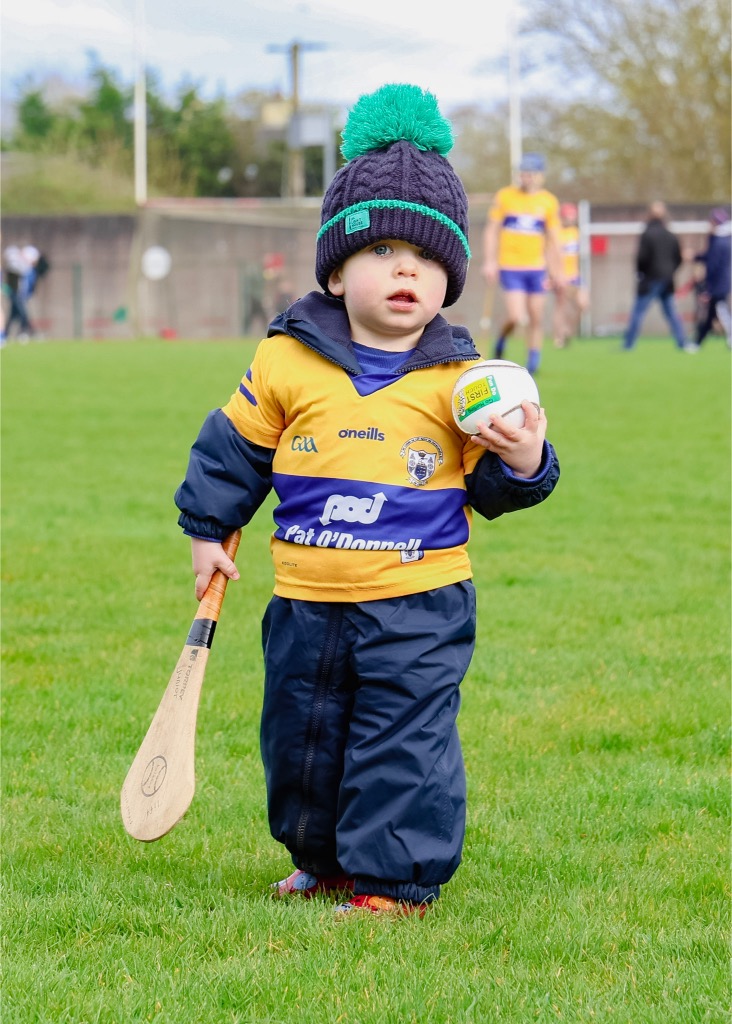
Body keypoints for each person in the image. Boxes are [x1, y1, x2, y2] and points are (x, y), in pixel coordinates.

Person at [174, 84, 560, 919]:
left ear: (449, 277)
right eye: (381, 249)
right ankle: (321, 861)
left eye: (424, 256)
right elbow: (235, 447)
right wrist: (208, 528)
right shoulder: (286, 359)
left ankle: (393, 880)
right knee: (302, 737)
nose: (405, 269)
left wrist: (523, 455)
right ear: (337, 267)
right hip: (306, 599)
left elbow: (498, 487)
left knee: (402, 742)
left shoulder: (466, 383)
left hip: (418, 602)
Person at [481, 152, 565, 376]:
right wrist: (489, 262)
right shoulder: (506, 196)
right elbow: (491, 231)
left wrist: (558, 271)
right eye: (523, 173)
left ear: (540, 176)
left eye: (531, 173)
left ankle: (533, 361)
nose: (526, 177)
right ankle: (501, 340)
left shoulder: (548, 201)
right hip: (510, 267)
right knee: (516, 317)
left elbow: (555, 240)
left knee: (536, 316)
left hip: (536, 268)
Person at [622, 201, 689, 351]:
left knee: (638, 313)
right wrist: (671, 271)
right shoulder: (671, 235)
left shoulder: (647, 234)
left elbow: (641, 258)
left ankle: (628, 344)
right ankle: (682, 342)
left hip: (650, 279)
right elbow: (679, 258)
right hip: (667, 280)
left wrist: (640, 273)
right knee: (672, 313)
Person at [688, 207, 731, 349]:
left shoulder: (719, 242)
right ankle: (697, 343)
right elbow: (709, 257)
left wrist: (707, 287)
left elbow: (713, 265)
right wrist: (695, 257)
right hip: (719, 284)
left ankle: (697, 343)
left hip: (718, 285)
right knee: (712, 315)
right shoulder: (720, 240)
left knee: (721, 313)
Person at [551, 203, 589, 348]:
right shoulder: (556, 233)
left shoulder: (575, 232)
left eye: (573, 216)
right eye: (568, 216)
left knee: (583, 304)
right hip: (561, 276)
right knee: (561, 307)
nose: (571, 219)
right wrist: (555, 275)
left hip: (575, 276)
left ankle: (568, 330)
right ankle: (558, 337)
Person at [1, 244, 48, 344]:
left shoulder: (29, 270)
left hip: (21, 295)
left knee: (14, 315)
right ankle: (27, 332)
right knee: (22, 314)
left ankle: (6, 334)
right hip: (16, 294)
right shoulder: (17, 266)